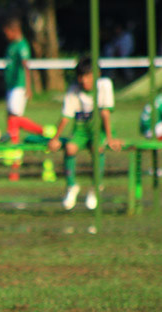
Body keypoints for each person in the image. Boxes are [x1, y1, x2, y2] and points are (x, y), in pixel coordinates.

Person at [46, 57, 121, 211]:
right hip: (81, 129)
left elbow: (105, 114)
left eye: (87, 76)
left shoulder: (105, 86)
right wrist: (55, 138)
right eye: (81, 76)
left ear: (97, 75)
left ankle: (96, 186)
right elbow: (66, 116)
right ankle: (71, 186)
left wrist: (110, 138)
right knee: (70, 148)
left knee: (97, 147)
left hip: (98, 129)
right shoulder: (74, 89)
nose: (83, 80)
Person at [2, 15, 44, 180]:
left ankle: (43, 131)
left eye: (7, 32)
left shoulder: (22, 45)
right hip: (11, 87)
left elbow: (27, 67)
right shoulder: (11, 46)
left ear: (14, 30)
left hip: (19, 87)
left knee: (14, 120)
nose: (5, 35)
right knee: (11, 120)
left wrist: (28, 87)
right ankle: (15, 155)